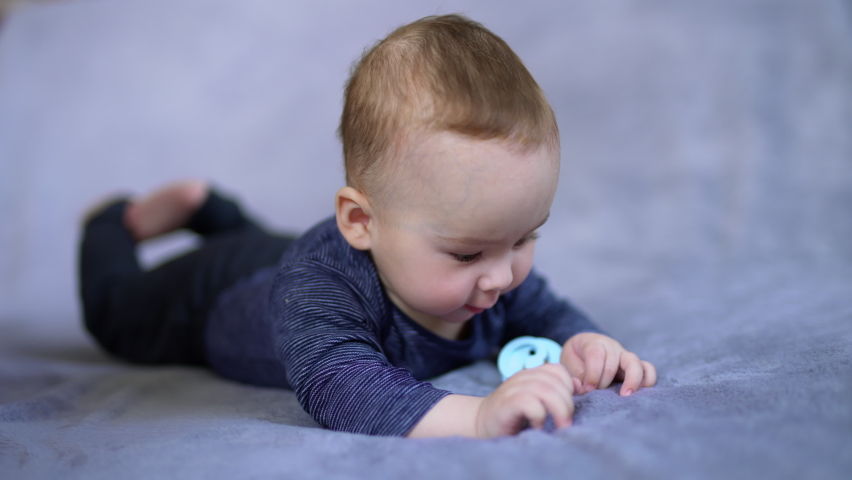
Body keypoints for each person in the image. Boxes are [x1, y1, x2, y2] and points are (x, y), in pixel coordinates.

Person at [78, 14, 657, 439]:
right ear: (362, 222)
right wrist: (477, 415)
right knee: (116, 314)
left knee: (263, 246)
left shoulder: (490, 261)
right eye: (465, 255)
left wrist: (585, 345)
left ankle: (213, 212)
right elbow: (340, 386)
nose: (502, 277)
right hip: (208, 296)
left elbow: (545, 313)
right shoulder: (319, 291)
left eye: (525, 236)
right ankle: (108, 222)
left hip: (275, 256)